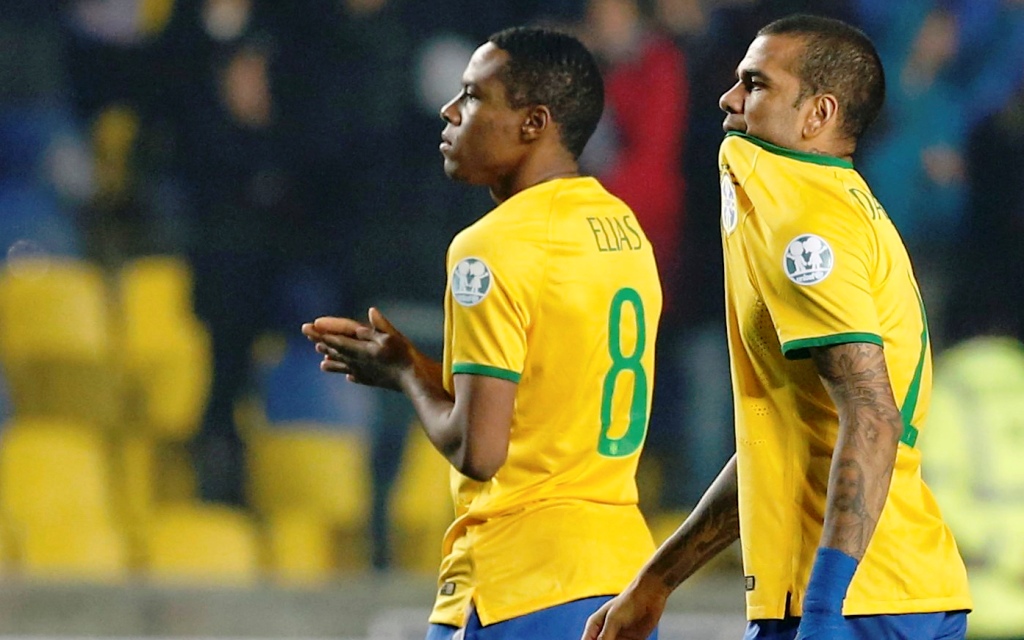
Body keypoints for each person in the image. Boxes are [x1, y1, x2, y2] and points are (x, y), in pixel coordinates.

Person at [583, 14, 972, 640]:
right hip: (881, 594)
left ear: (816, 116)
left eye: (755, 85)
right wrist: (655, 581)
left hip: (855, 604)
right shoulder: (817, 205)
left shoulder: (808, 228)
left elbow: (872, 416)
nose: (728, 99)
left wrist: (823, 614)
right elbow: (776, 452)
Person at [302, 26, 663, 640]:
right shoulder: (622, 227)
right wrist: (415, 367)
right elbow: (547, 396)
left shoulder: (490, 247)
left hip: (517, 586)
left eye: (473, 97)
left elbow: (480, 450)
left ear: (533, 123)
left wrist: (405, 379)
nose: (449, 110)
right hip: (618, 582)